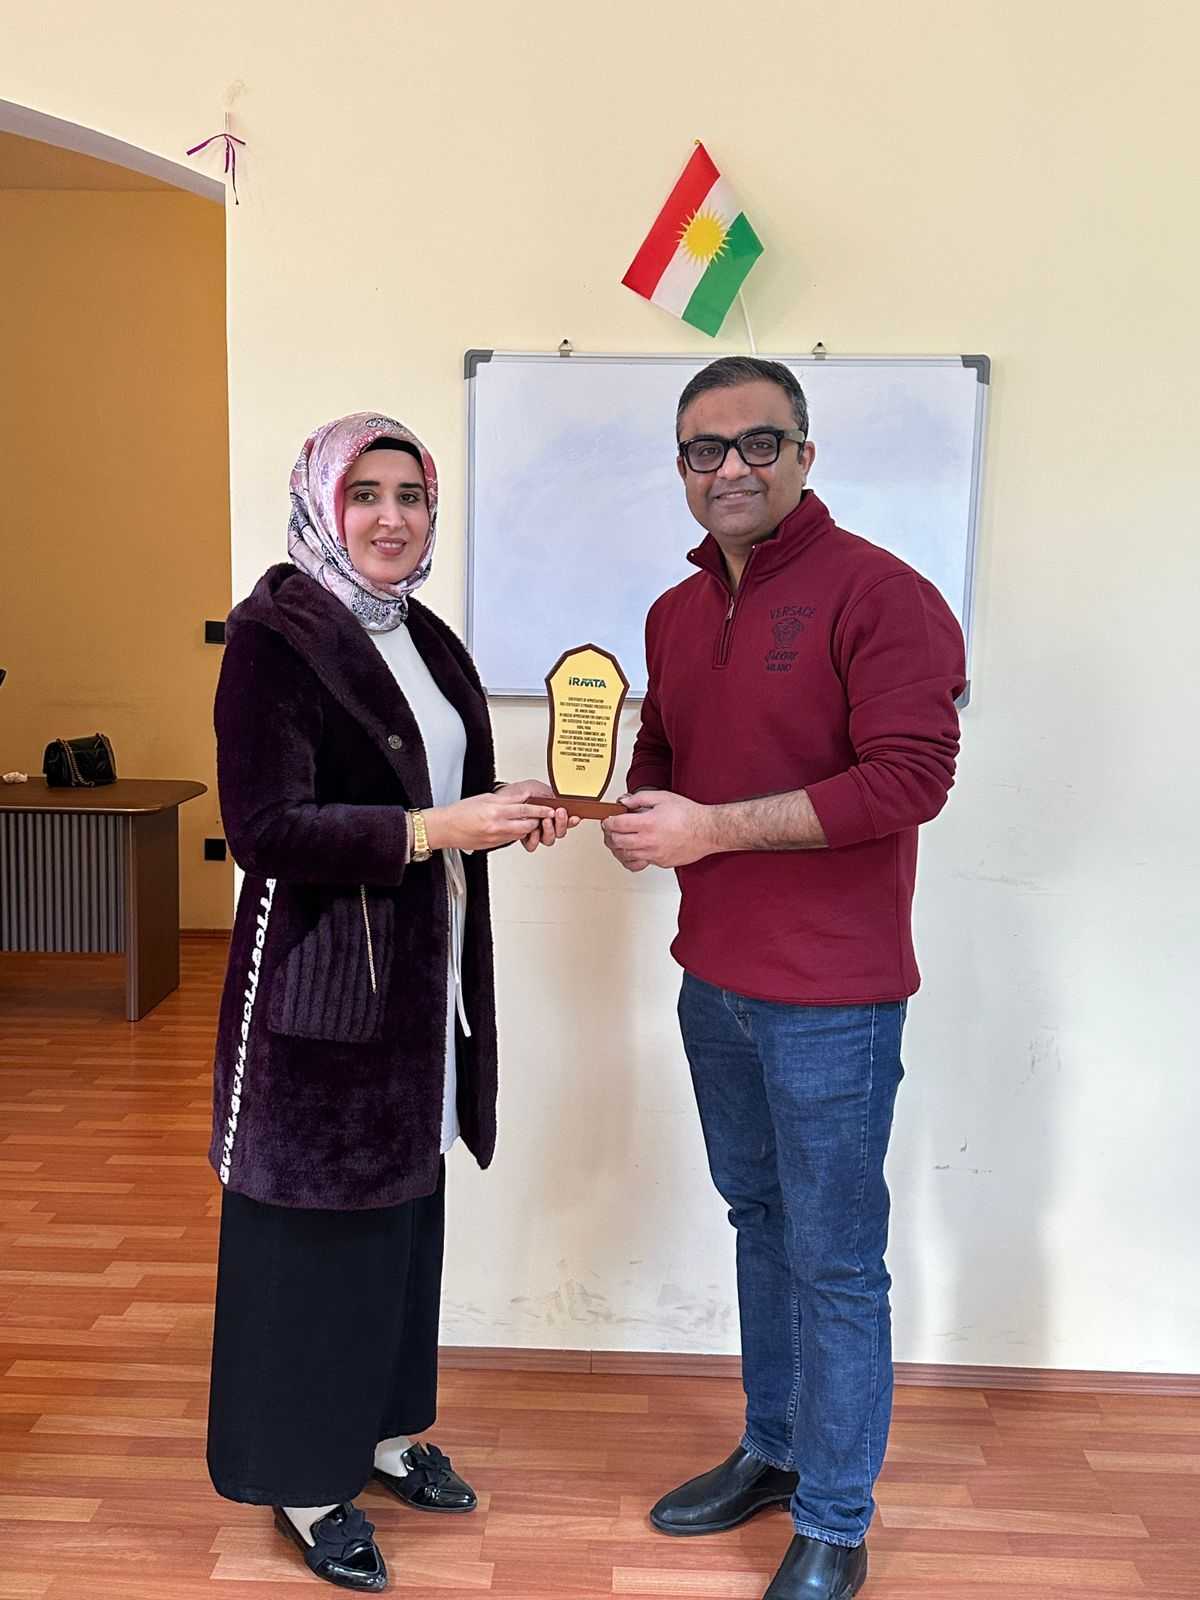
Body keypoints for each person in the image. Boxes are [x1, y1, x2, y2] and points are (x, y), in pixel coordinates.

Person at [602, 358, 965, 1600]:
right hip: (715, 981)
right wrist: (611, 802)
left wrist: (712, 830)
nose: (732, 468)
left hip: (835, 999)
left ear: (805, 452)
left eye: (759, 441)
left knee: (835, 1257)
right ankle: (774, 1447)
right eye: (705, 450)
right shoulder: (670, 609)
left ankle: (838, 1516)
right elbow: (668, 755)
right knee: (761, 1222)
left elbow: (909, 779)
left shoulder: (885, 595)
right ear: (685, 470)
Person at [205, 412, 573, 1592]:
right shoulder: (276, 633)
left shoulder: (425, 634)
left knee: (404, 1222)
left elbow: (443, 793)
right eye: (365, 491)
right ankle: (308, 1485)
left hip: (426, 979)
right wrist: (432, 830)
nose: (391, 515)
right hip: (321, 988)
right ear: (321, 496)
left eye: (411, 493)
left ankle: (379, 1432)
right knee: (319, 1231)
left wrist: (507, 804)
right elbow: (262, 831)